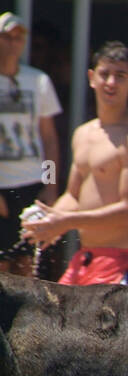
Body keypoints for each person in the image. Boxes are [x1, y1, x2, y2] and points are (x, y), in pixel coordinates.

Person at [22, 42, 128, 285]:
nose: (111, 82)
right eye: (105, 74)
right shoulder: (83, 134)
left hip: (121, 263)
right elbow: (73, 196)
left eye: (120, 76)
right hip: (85, 259)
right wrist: (47, 220)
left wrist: (66, 222)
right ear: (92, 78)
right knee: (52, 321)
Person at [0, 12, 61, 278]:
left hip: (30, 184)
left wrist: (50, 185)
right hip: (2, 185)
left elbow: (48, 136)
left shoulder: (39, 81)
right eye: (7, 36)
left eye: (19, 36)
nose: (13, 42)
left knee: (27, 267)